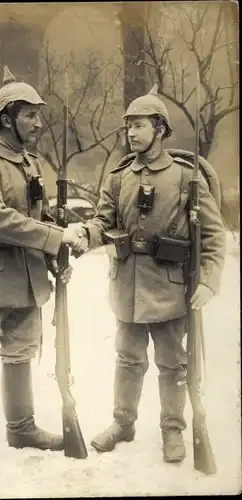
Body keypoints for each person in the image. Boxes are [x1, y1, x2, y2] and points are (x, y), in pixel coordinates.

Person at [79, 85, 226, 463]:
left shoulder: (184, 177)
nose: (131, 132)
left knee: (172, 362)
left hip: (169, 287)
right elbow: (102, 219)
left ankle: (173, 429)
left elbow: (212, 233)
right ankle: (122, 423)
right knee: (127, 358)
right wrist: (86, 233)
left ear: (160, 129)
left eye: (140, 126)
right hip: (127, 284)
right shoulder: (119, 176)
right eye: (129, 126)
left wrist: (208, 280)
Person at [0, 66, 86, 479]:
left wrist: (54, 258)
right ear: (8, 117)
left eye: (39, 115)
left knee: (21, 351)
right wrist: (55, 236)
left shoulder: (30, 164)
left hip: (27, 279)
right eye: (30, 115)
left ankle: (22, 428)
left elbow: (37, 215)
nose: (38, 123)